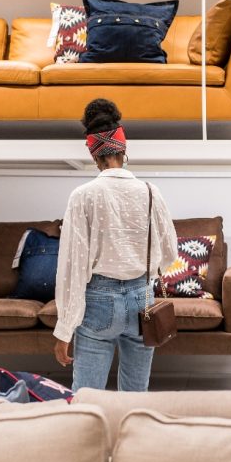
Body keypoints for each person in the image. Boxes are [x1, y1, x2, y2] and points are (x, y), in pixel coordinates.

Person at [53, 99, 178, 392]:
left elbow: (73, 266)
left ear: (95, 157)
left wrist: (64, 328)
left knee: (88, 397)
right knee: (135, 397)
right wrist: (150, 270)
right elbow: (170, 249)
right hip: (142, 301)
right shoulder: (150, 192)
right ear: (124, 150)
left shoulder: (83, 196)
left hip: (97, 300)